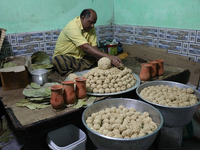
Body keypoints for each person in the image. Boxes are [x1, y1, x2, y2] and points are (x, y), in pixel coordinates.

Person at [52, 8, 122, 75]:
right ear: (83, 18)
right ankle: (83, 67)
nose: (92, 25)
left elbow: (94, 48)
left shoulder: (90, 27)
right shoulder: (72, 27)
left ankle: (80, 68)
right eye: (90, 22)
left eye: (94, 23)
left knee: (101, 52)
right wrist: (109, 57)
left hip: (81, 58)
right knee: (59, 61)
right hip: (68, 57)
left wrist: (103, 62)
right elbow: (85, 47)